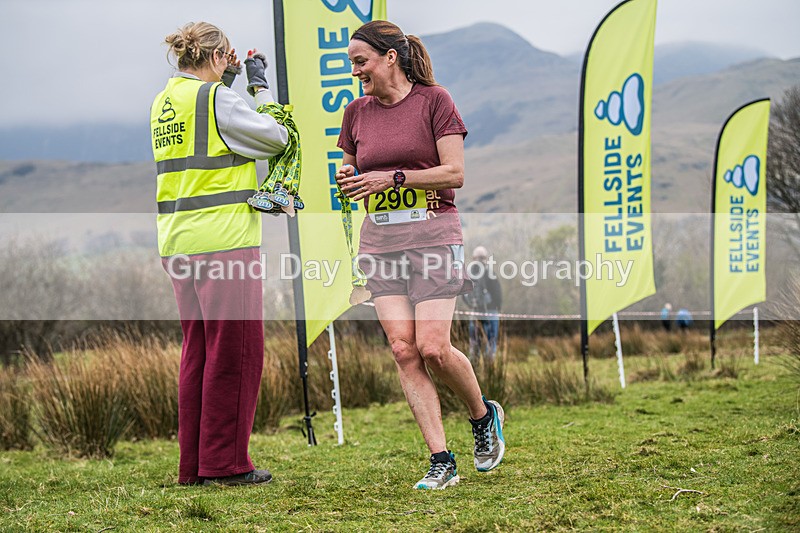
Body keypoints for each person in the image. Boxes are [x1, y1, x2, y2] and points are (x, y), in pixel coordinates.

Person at [335, 20, 505, 490]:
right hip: (381, 242)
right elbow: (351, 168)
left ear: (390, 56)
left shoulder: (435, 101)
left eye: (360, 61)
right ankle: (441, 460)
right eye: (352, 63)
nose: (355, 71)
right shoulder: (356, 112)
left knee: (433, 347)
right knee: (403, 350)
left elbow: (454, 173)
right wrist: (348, 180)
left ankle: (482, 416)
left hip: (433, 236)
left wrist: (391, 179)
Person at [153, 22, 288, 486]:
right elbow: (274, 137)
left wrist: (225, 81)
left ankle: (193, 465)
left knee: (199, 353)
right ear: (218, 57)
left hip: (177, 241)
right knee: (237, 352)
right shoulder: (218, 99)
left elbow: (210, 128)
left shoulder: (165, 101)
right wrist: (257, 83)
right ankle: (226, 464)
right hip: (224, 241)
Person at [463, 246, 503, 360]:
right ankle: (489, 368)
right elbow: (497, 293)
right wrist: (497, 308)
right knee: (491, 342)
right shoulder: (490, 272)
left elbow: (464, 293)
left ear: (473, 258)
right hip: (491, 312)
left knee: (474, 342)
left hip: (475, 311)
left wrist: (471, 305)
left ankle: (474, 368)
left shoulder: (470, 273)